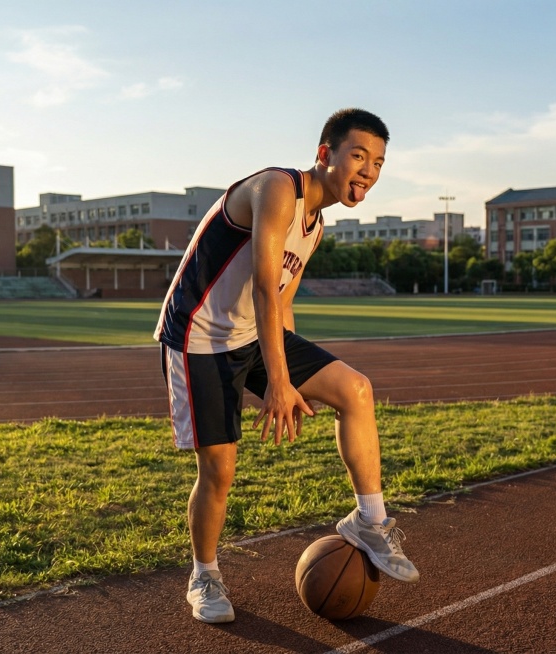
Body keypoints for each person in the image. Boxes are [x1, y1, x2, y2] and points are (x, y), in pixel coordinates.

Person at [154, 108, 419, 624]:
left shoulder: (315, 226)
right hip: (199, 336)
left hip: (255, 331)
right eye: (358, 156)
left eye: (379, 163)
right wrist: (278, 381)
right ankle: (203, 575)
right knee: (219, 471)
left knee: (355, 390)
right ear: (325, 155)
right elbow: (261, 284)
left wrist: (294, 374)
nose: (368, 171)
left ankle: (371, 520)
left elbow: (282, 298)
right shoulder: (279, 189)